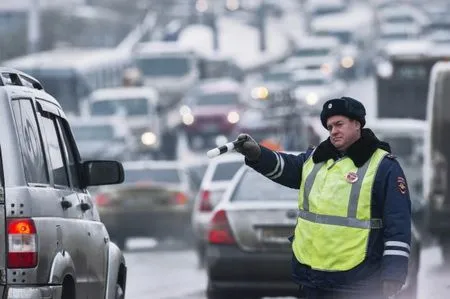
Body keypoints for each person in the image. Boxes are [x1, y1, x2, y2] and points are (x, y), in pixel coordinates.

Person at [234, 97, 411, 299]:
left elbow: (398, 224)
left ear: (357, 124)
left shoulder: (384, 166)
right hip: (313, 278)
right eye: (329, 127)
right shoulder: (316, 159)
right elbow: (285, 167)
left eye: (339, 124)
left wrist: (393, 274)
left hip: (359, 281)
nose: (333, 131)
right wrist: (257, 154)